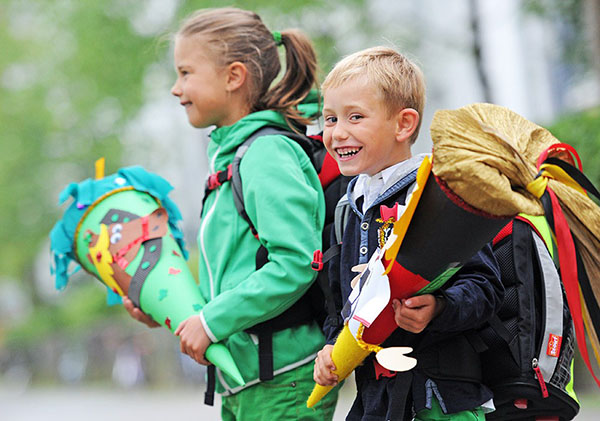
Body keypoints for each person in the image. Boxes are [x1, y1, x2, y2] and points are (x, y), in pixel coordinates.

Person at [123, 7, 338, 420]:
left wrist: (211, 321)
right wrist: (170, 310)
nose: (175, 88)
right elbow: (235, 279)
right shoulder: (231, 159)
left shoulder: (266, 153)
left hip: (285, 380)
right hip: (246, 380)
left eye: (186, 73)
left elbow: (296, 263)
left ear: (233, 76)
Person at [313, 46, 504, 420]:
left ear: (404, 124)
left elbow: (486, 287)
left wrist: (440, 308)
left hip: (440, 399)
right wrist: (333, 347)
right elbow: (343, 302)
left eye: (355, 117)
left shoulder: (437, 196)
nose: (337, 133)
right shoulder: (347, 206)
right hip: (376, 402)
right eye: (331, 119)